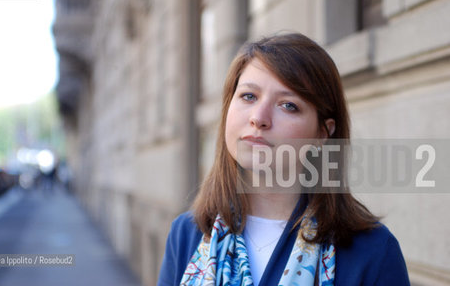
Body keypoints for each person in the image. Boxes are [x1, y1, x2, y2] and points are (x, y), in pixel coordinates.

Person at [158, 33, 410, 285]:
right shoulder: (187, 235)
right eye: (248, 96)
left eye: (288, 105)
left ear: (323, 132)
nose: (259, 117)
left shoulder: (373, 252)